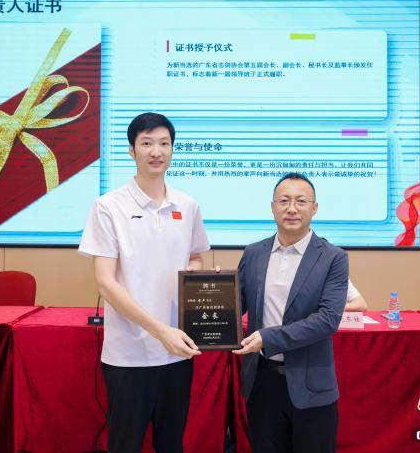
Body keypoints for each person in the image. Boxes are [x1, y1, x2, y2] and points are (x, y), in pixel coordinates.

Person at [78, 112, 210, 453]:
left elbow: (197, 256)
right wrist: (160, 331)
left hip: (178, 351)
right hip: (129, 354)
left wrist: (194, 271)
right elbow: (105, 283)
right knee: (125, 444)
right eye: (147, 143)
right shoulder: (108, 206)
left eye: (164, 143)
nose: (156, 151)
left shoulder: (188, 205)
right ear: (131, 150)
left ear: (173, 149)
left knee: (171, 443)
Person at [234, 172, 348, 453]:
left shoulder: (333, 257)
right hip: (262, 381)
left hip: (311, 385)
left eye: (301, 201)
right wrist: (212, 289)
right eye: (284, 201)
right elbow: (236, 306)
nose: (292, 208)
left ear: (314, 208)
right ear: (272, 207)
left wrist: (268, 338)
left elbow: (327, 320)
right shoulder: (253, 253)